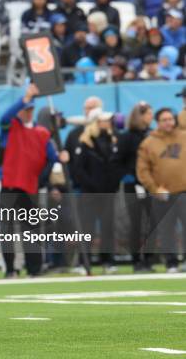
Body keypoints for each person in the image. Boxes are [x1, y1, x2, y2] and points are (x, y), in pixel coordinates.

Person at [0, 83, 62, 277]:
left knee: (31, 231)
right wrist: (25, 98)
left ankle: (34, 269)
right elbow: (4, 118)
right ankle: (10, 269)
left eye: (30, 109)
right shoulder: (10, 128)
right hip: (9, 186)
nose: (28, 112)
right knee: (7, 230)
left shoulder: (42, 133)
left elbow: (52, 158)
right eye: (25, 109)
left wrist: (61, 158)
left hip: (30, 187)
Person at [72, 108, 122, 273]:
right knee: (88, 228)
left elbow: (115, 167)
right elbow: (79, 170)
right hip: (90, 193)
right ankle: (83, 261)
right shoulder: (85, 143)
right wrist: (93, 186)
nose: (108, 123)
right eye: (103, 120)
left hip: (108, 192)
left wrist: (112, 185)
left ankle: (108, 261)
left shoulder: (112, 141)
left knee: (108, 226)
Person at [137, 108, 186, 273]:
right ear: (157, 122)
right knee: (166, 229)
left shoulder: (184, 136)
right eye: (164, 119)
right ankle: (171, 263)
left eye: (170, 119)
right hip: (162, 194)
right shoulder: (149, 142)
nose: (168, 122)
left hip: (183, 191)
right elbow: (143, 170)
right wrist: (154, 188)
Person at [118, 101, 154, 272]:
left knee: (153, 222)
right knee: (136, 223)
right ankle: (136, 260)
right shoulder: (127, 137)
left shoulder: (152, 136)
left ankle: (148, 259)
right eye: (148, 113)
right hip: (133, 185)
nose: (151, 116)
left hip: (150, 185)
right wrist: (130, 176)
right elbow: (118, 160)